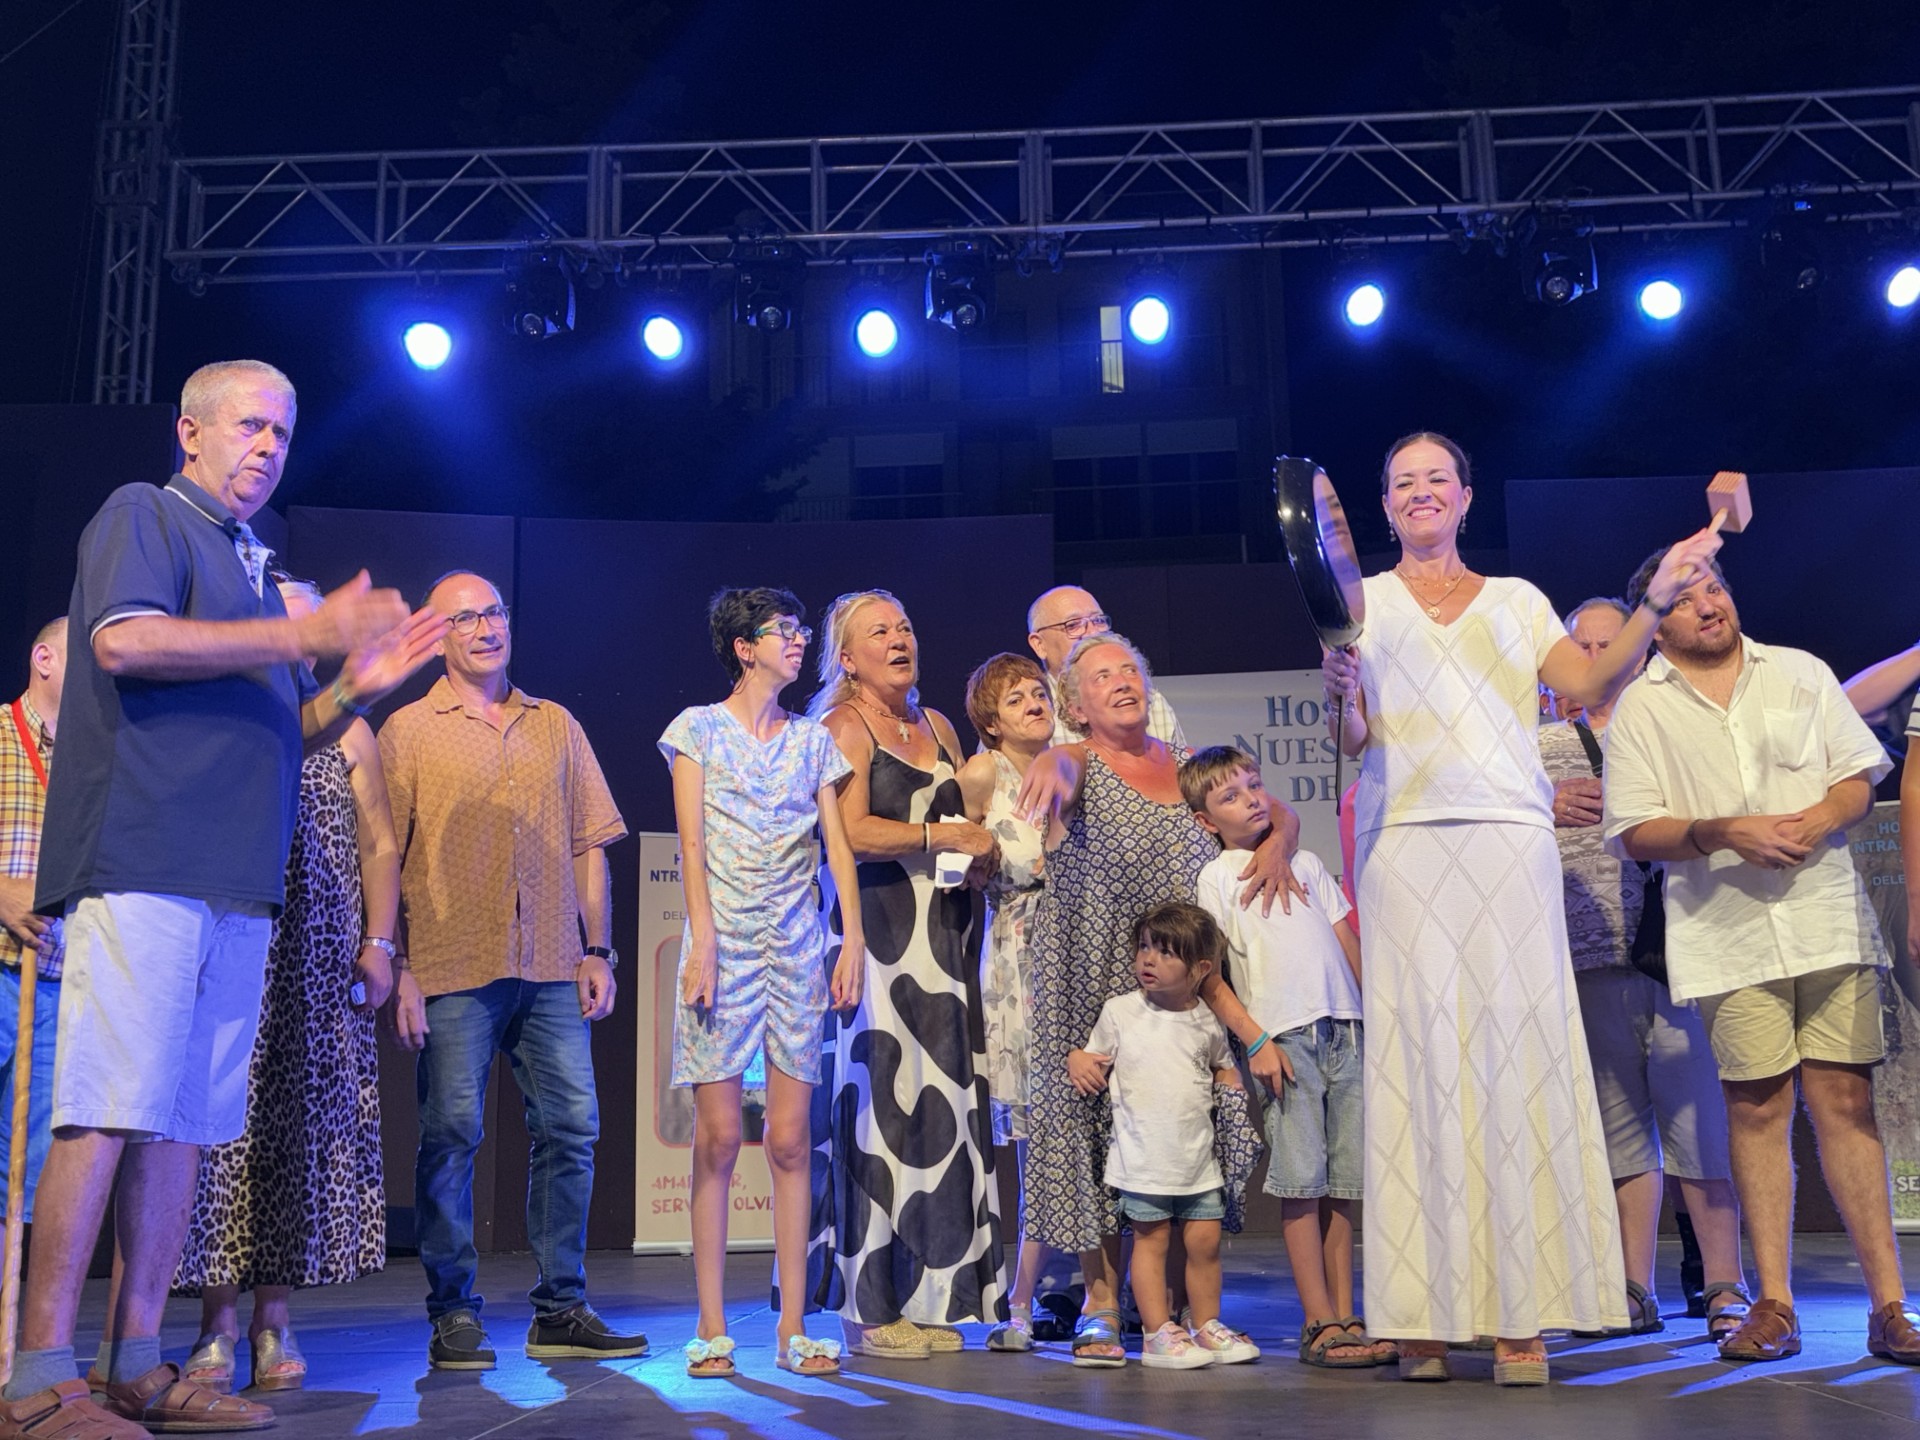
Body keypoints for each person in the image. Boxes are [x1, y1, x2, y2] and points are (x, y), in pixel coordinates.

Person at [0, 358, 439, 1440]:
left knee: (184, 1128)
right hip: (145, 861)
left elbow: (288, 730)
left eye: (284, 432)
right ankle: (37, 1378)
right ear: (190, 433)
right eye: (250, 425)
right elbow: (126, 641)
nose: (269, 446)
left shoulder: (255, 564)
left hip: (239, 888)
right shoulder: (145, 514)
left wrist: (350, 685)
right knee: (106, 1108)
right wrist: (299, 634)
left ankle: (136, 1362)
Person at [1320, 430, 1720, 1385]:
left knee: (1514, 1058)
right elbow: (1351, 737)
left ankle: (1519, 1316)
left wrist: (1657, 598)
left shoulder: (1516, 600)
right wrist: (1339, 692)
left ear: (1465, 497)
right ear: (1386, 508)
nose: (1420, 493)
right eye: (1402, 482)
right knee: (1418, 1060)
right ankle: (1420, 1315)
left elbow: (1586, 681)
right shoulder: (1357, 605)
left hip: (1506, 839)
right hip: (1405, 847)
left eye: (1436, 480)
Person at [1603, 551, 1919, 1365]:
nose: (1710, 604)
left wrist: (1818, 818)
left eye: (1718, 588)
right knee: (1754, 1109)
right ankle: (1773, 1302)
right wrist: (1719, 831)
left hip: (1825, 923)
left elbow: (1861, 776)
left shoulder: (1800, 672)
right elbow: (1635, 829)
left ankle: (1890, 1306)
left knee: (1845, 1102)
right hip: (1726, 933)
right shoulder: (1641, 706)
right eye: (1688, 595)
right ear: (1658, 617)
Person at [379, 570, 639, 1372]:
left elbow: (588, 841)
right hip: (454, 962)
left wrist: (597, 950)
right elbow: (382, 853)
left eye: (494, 611)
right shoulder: (410, 729)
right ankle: (453, 1312)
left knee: (572, 1131)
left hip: (555, 964)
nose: (487, 627)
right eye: (466, 617)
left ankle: (560, 1307)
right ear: (440, 634)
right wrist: (400, 963)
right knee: (451, 1135)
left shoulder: (554, 723)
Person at [1015, 633, 1289, 1368]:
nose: (1121, 681)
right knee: (1097, 1128)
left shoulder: (1185, 762)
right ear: (1075, 703)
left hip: (1185, 988)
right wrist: (1054, 754)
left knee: (1180, 1128)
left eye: (1130, 669)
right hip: (1093, 973)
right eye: (1101, 677)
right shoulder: (1076, 761)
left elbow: (1269, 809)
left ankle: (1170, 1312)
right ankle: (1103, 1302)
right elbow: (1061, 765)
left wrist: (1280, 840)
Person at [172, 574, 401, 1393]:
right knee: (220, 1137)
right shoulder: (235, 718)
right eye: (290, 603)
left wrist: (380, 942)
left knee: (298, 1139)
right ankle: (215, 1325)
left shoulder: (352, 734)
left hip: (319, 959)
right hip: (240, 945)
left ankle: (276, 1322)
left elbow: (379, 843)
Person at [662, 587, 863, 1380]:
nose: (798, 642)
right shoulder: (696, 730)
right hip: (725, 947)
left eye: (802, 630)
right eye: (785, 631)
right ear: (745, 647)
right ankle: (711, 1322)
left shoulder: (814, 740)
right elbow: (689, 841)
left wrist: (844, 940)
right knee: (715, 1138)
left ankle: (792, 1325)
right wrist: (703, 939)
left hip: (797, 949)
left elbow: (837, 849)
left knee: (787, 1139)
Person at [1539, 596, 1745, 1340]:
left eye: (1609, 642)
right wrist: (1542, 801)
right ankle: (1633, 1289)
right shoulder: (1536, 747)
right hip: (1588, 958)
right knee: (1621, 1135)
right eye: (1581, 646)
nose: (1596, 658)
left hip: (1680, 952)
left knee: (1701, 1128)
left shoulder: (1670, 725)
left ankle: (1726, 1286)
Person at [809, 590, 1006, 1360]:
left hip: (947, 942)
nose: (900, 639)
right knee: (879, 1121)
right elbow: (850, 832)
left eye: (906, 626)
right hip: (879, 941)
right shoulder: (843, 728)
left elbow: (967, 825)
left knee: (941, 1122)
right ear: (847, 657)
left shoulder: (937, 725)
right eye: (878, 632)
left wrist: (978, 851)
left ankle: (925, 1296)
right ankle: (867, 1309)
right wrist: (938, 832)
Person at [1184, 747, 1392, 1369]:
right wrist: (1255, 1039)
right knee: (1302, 1184)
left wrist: (1377, 1017)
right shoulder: (1217, 877)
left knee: (1344, 1185)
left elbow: (1345, 939)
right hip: (1285, 1039)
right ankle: (1316, 1320)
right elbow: (1210, 973)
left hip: (1347, 1030)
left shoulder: (1303, 859)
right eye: (1230, 796)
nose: (1250, 798)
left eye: (1255, 785)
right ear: (1205, 820)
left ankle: (1347, 1313)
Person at [1068, 903, 1247, 1370]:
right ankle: (1156, 1331)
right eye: (1144, 947)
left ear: (1199, 968)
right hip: (1144, 1160)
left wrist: (1231, 1081)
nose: (1148, 959)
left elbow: (1222, 1064)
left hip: (1198, 1161)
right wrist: (1077, 1059)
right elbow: (1092, 1057)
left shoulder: (1206, 1018)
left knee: (1205, 1245)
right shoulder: (1120, 1011)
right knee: (1151, 1242)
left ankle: (1205, 1325)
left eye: (1165, 952)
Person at [954, 653, 1053, 1352]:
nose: (1034, 703)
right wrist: (978, 859)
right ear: (991, 721)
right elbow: (952, 862)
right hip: (1020, 957)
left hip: (1088, 950)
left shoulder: (1078, 765)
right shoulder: (985, 774)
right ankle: (1017, 1297)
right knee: (1038, 1138)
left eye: (1040, 692)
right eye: (1016, 699)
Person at [0, 620, 67, 1245]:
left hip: (57, 984)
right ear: (42, 657)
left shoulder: (95, 761)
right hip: (0, 971)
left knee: (25, 1173)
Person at [1026, 586, 1186, 748]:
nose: (1092, 633)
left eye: (1098, 621)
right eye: (1073, 625)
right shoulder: (1033, 714)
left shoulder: (1149, 702)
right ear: (1039, 645)